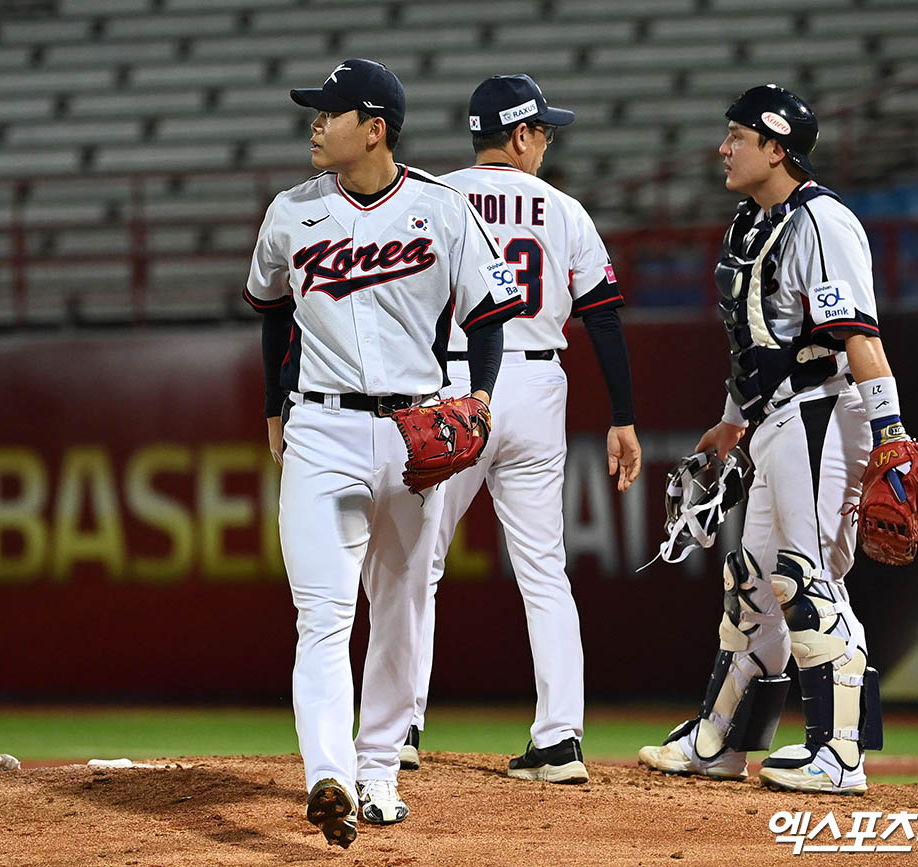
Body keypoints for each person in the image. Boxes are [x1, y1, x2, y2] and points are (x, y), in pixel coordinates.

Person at [245, 58, 523, 847]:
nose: (313, 124)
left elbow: (491, 312)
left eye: (327, 113)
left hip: (414, 431)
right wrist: (274, 404)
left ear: (373, 128)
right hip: (322, 430)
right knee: (323, 614)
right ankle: (327, 774)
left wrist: (483, 398)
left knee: (403, 605)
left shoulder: (442, 209)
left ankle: (379, 769)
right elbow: (270, 311)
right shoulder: (291, 212)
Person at [637, 84, 908, 795]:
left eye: (739, 135)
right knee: (753, 582)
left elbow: (857, 337)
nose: (725, 148)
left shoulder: (824, 221)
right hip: (771, 419)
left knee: (806, 576)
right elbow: (757, 340)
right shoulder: (749, 222)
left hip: (822, 410)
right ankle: (720, 740)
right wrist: (731, 422)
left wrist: (892, 435)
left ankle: (839, 753)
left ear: (778, 148)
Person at [397, 74, 642, 783]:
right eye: (544, 132)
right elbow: (602, 316)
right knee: (544, 570)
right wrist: (622, 415)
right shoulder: (563, 208)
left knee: (419, 561)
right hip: (538, 383)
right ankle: (560, 738)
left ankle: (399, 727)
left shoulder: (431, 197)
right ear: (523, 135)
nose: (546, 144)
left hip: (450, 383)